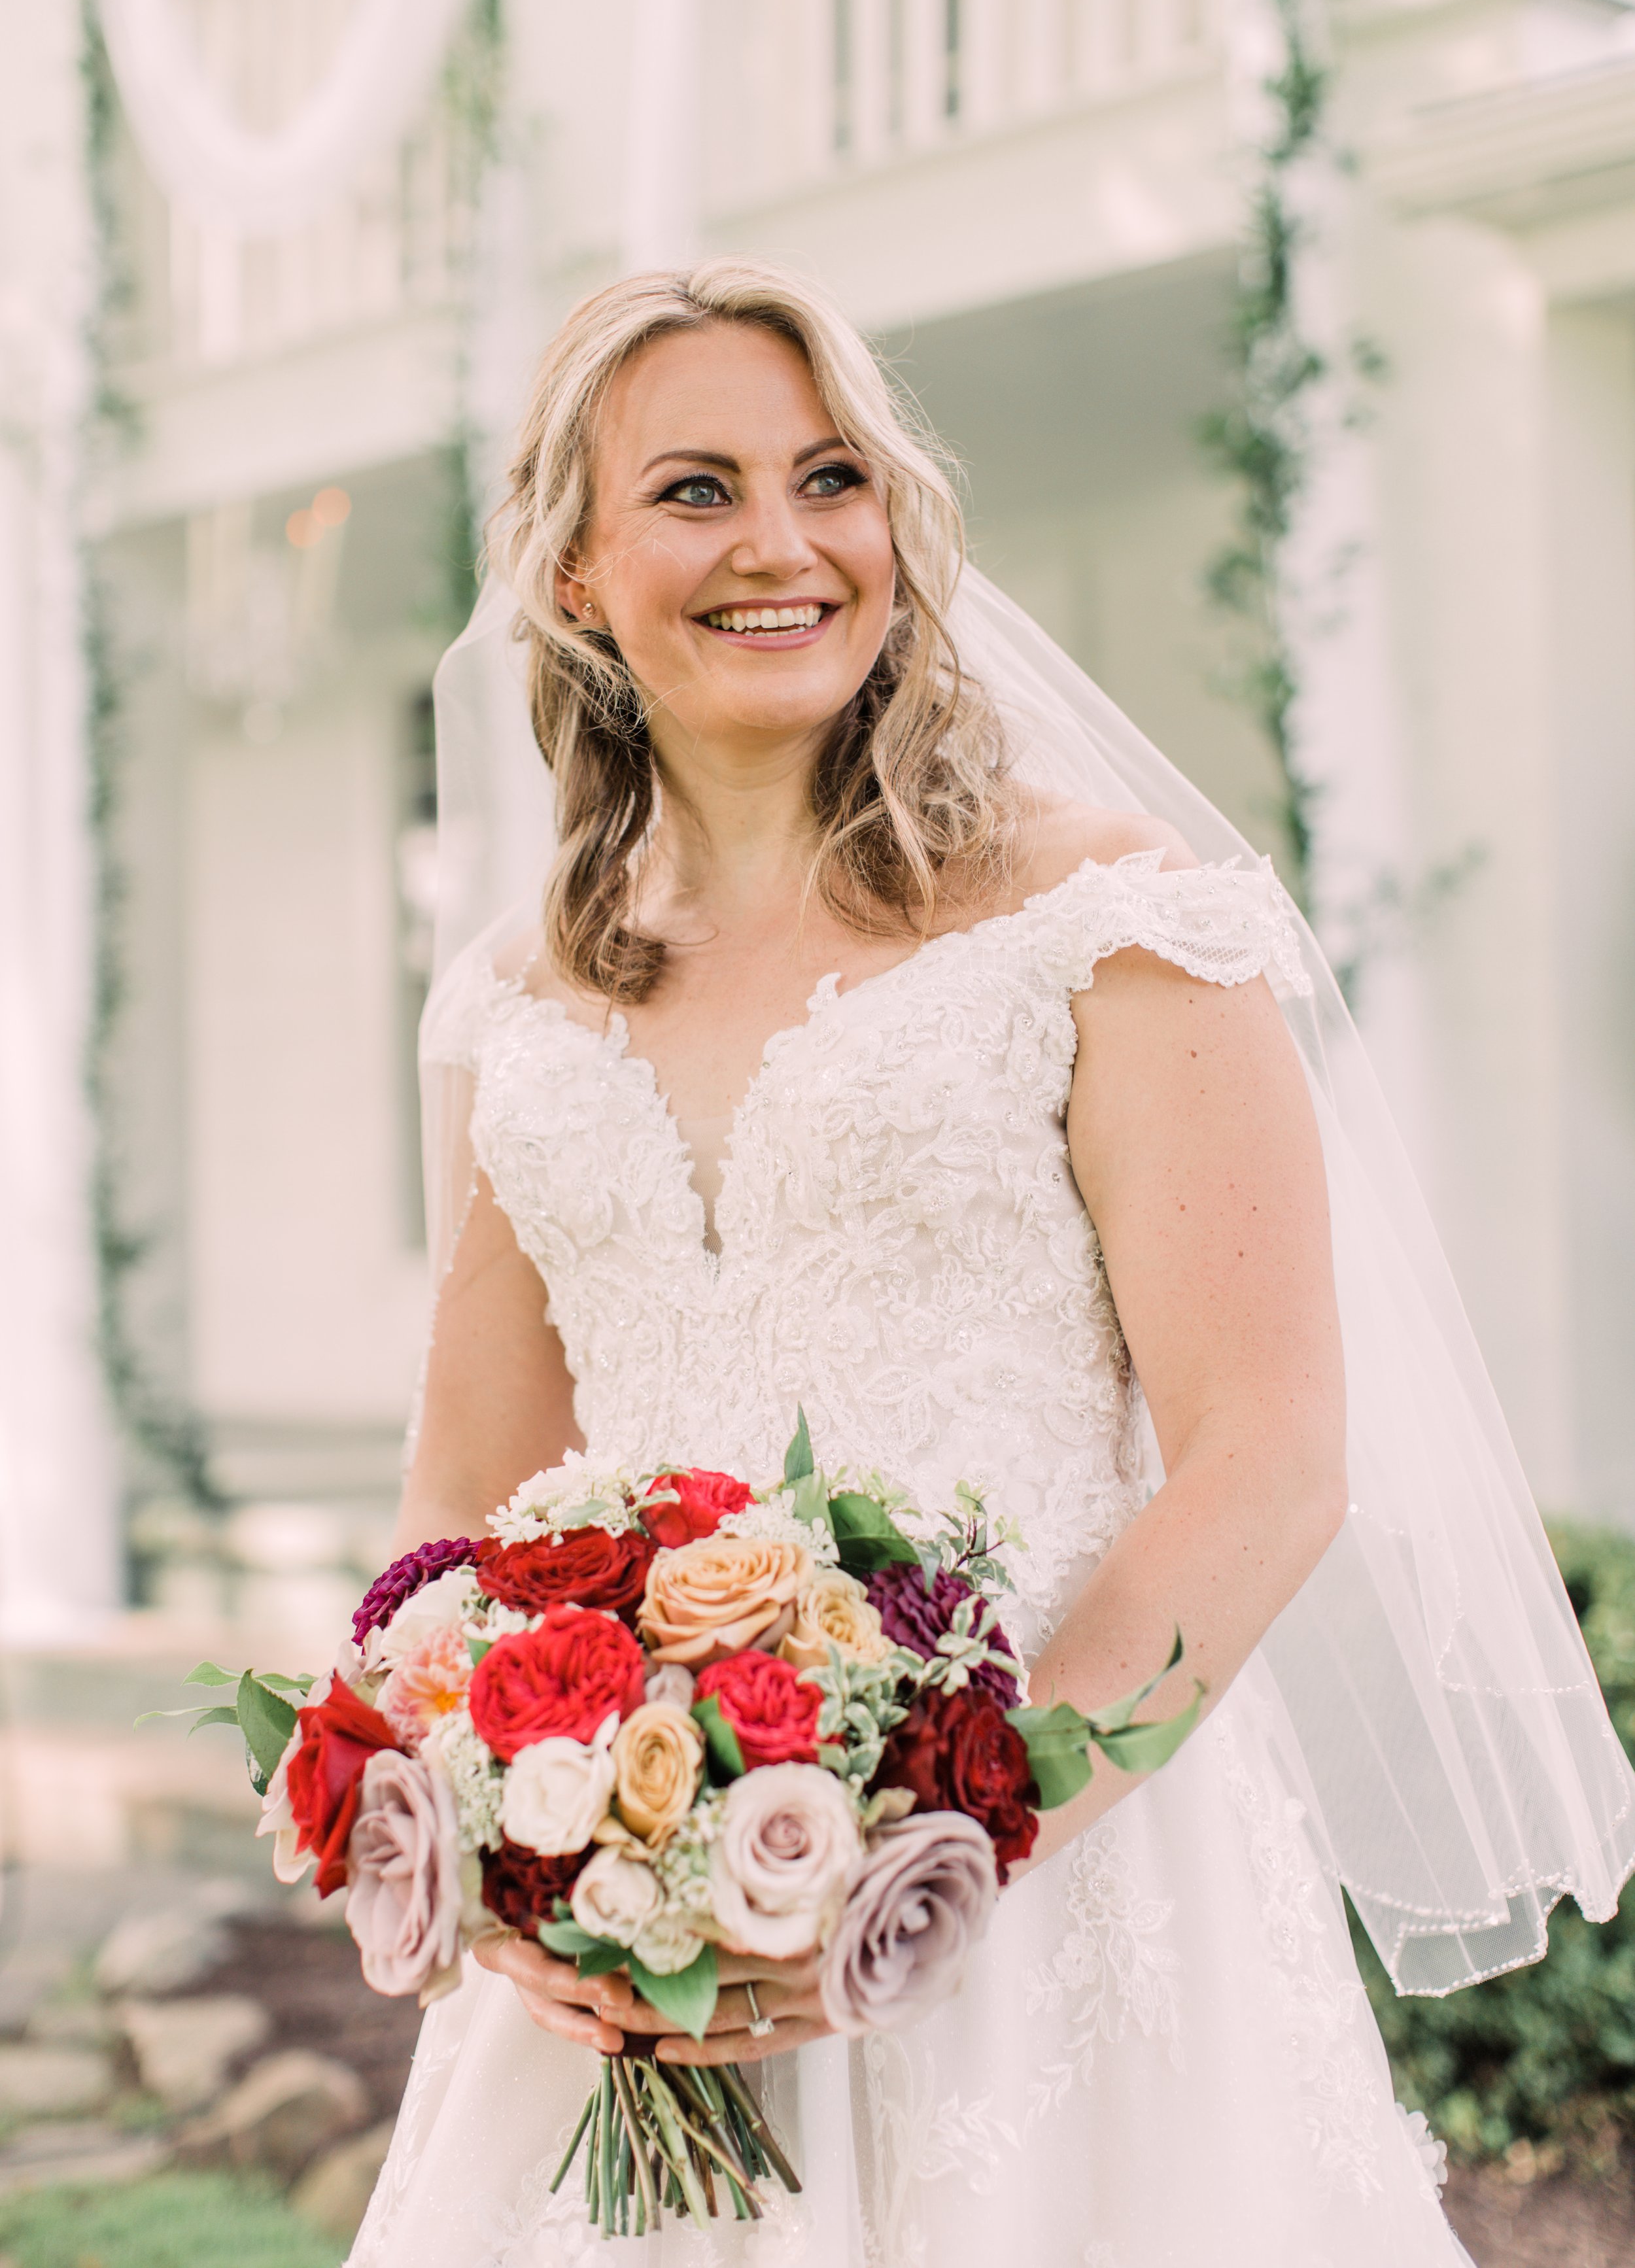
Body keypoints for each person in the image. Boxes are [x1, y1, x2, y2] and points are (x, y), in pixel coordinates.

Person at [350, 260, 1632, 2266]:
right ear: (574, 576)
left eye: (831, 478)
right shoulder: (510, 1006)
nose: (780, 544)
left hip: (1062, 1896)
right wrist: (523, 1859)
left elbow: (1267, 1454)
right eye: (695, 489)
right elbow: (465, 1503)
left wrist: (947, 1836)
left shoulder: (1111, 924)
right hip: (639, 1946)